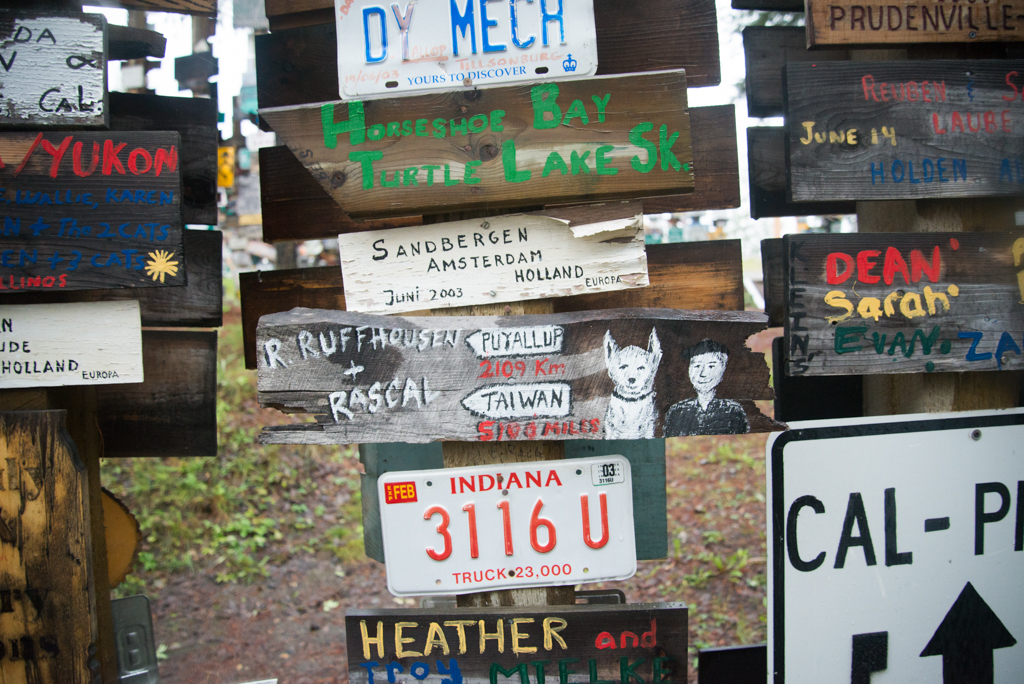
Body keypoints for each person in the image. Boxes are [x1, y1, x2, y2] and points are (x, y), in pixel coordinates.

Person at [663, 339, 749, 436]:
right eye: (697, 366)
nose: (703, 373)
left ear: (723, 369)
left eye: (711, 366)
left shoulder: (734, 411)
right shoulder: (676, 412)